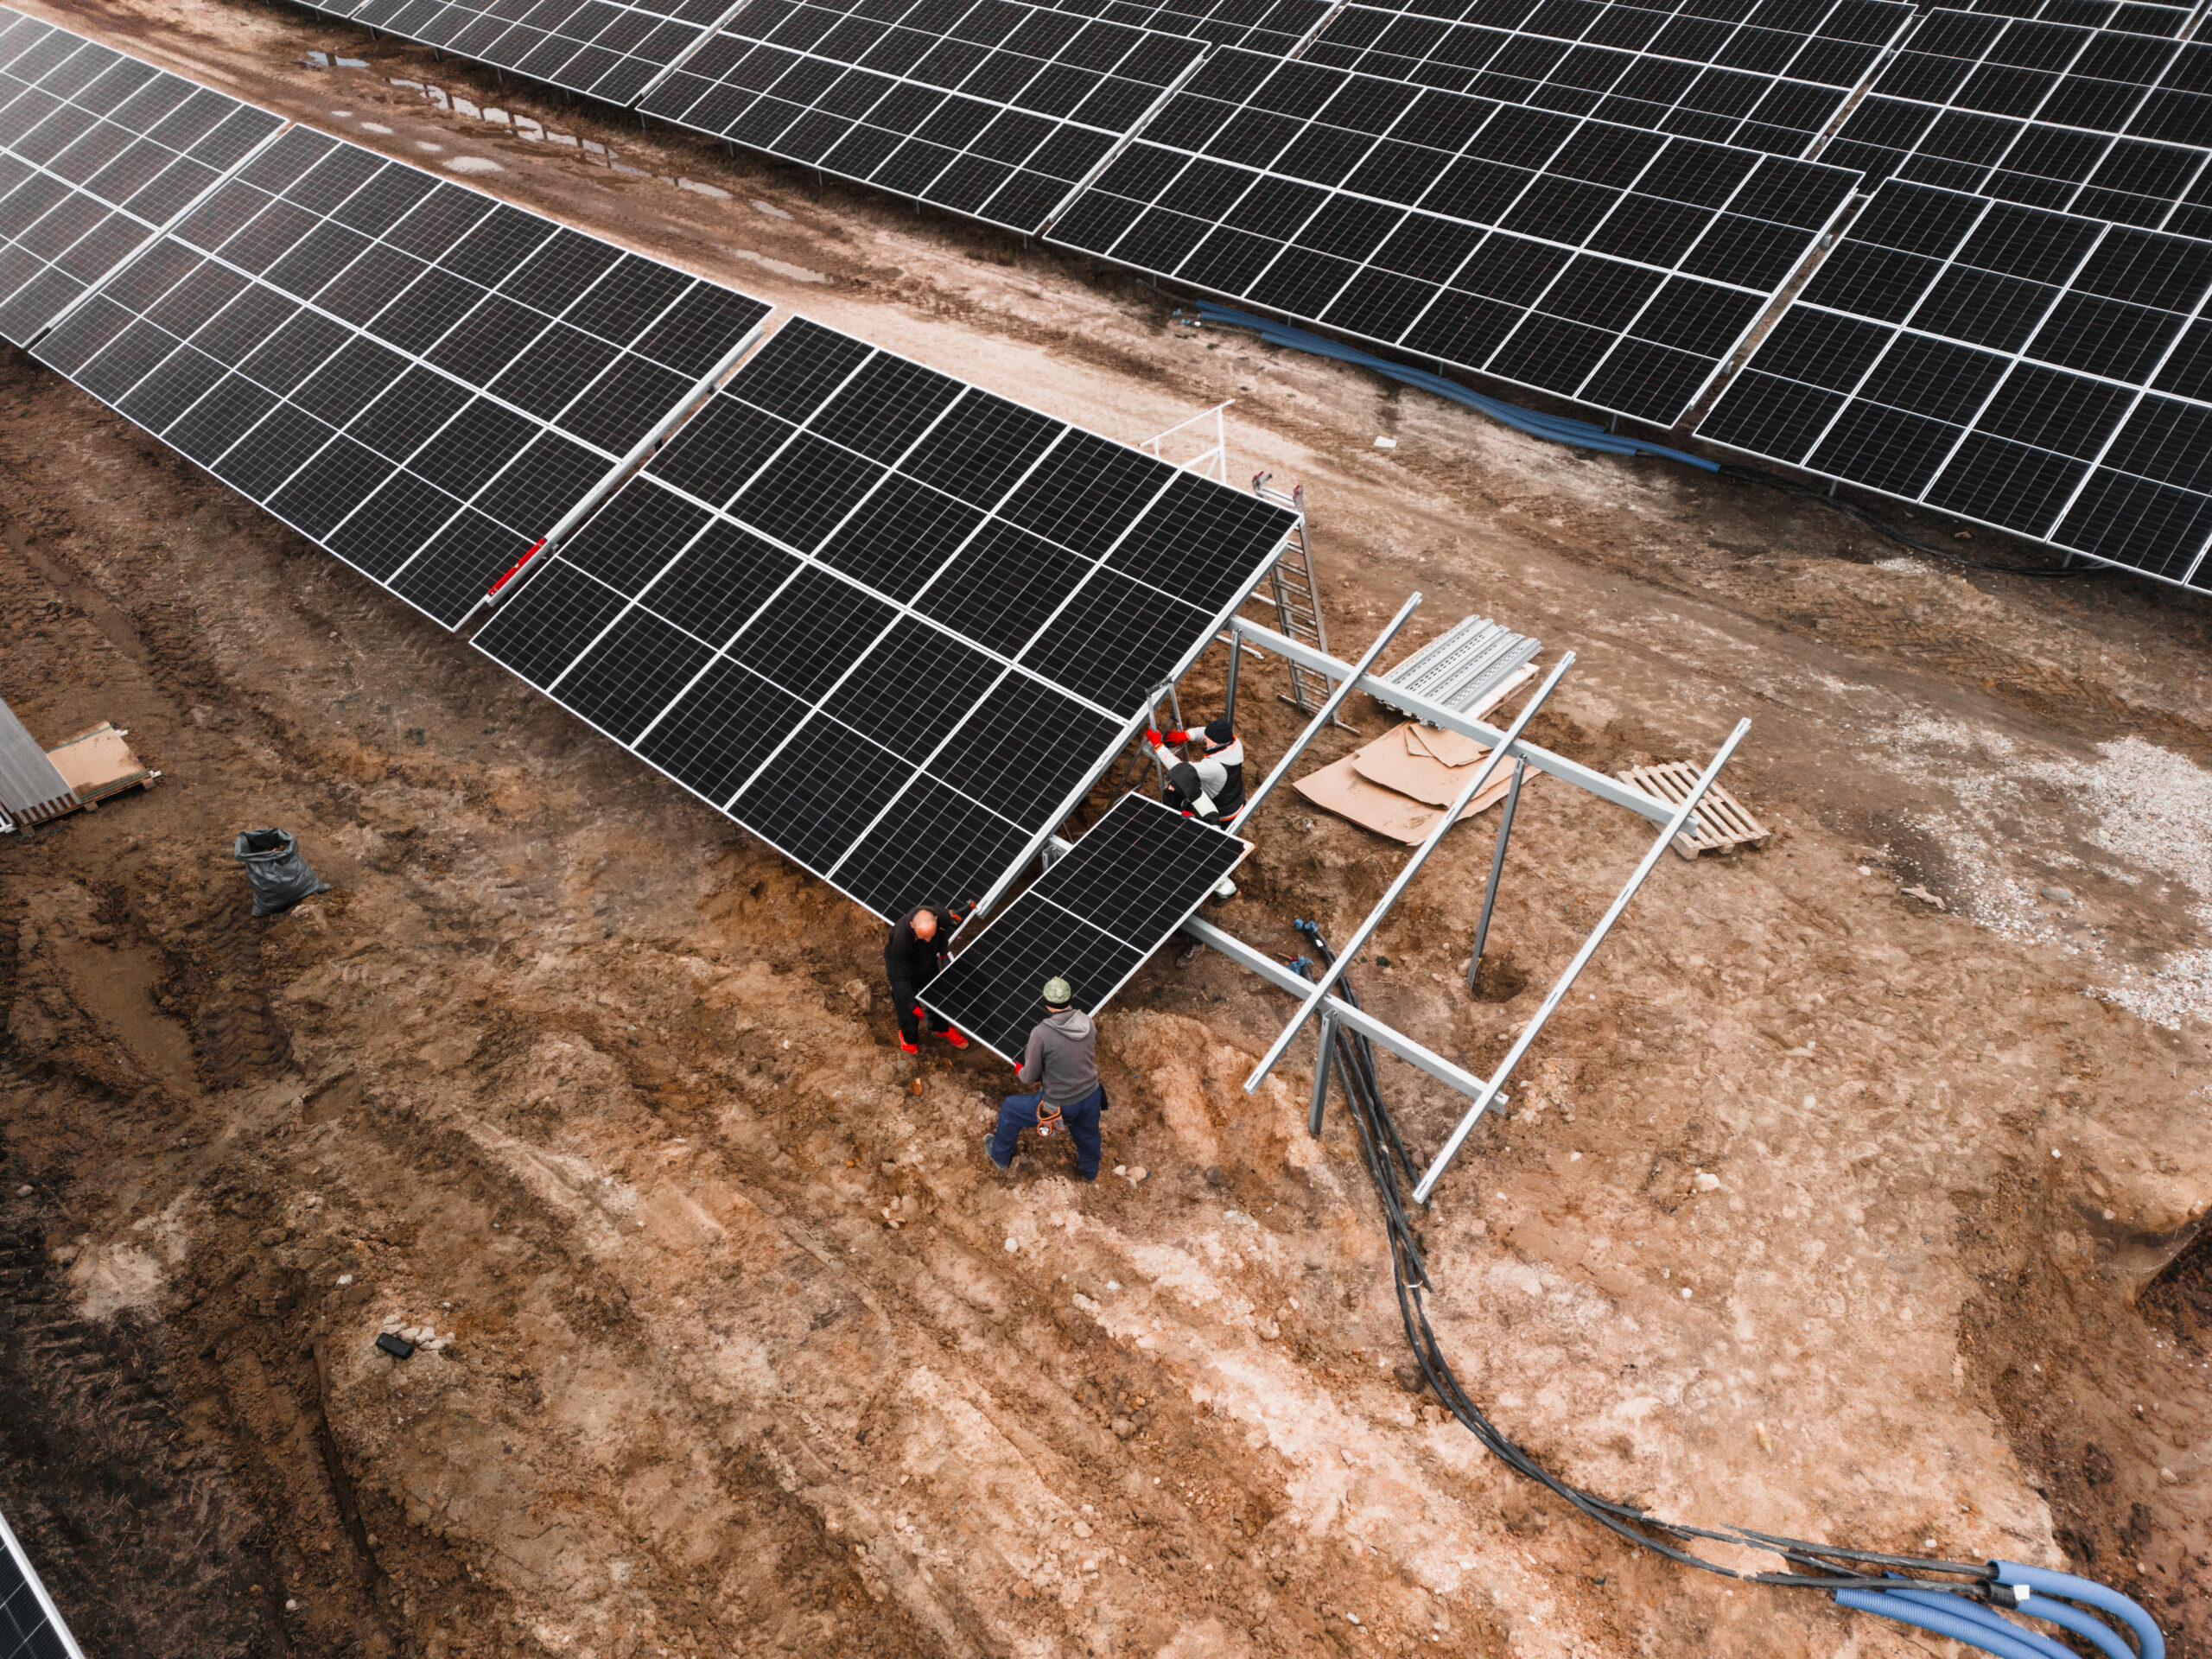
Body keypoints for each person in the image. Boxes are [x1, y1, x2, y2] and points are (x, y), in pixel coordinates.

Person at [987, 976, 1103, 1179]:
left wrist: (1021, 1070)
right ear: (1070, 998)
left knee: (1010, 1108)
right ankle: (1090, 1173)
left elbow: (1029, 1077)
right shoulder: (1087, 1022)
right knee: (1088, 1134)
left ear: (1046, 1004)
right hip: (1092, 1095)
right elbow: (1076, 1054)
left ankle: (1000, 1156)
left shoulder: (1041, 1033)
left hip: (1061, 1104)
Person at [883, 904, 969, 1054]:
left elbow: (942, 933)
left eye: (931, 935)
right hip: (903, 969)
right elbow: (899, 978)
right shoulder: (901, 939)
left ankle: (941, 1029)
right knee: (906, 1006)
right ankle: (909, 1037)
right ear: (912, 925)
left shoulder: (941, 916)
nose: (928, 940)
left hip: (927, 962)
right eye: (923, 937)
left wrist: (944, 953)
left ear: (936, 919)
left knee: (936, 995)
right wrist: (913, 1006)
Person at [1147, 719, 1245, 820]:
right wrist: (1185, 735)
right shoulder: (1234, 743)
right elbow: (1206, 733)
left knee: (1175, 790)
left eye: (1207, 738)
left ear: (1216, 742)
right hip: (1235, 798)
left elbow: (1181, 770)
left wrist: (1158, 746)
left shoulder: (1214, 767)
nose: (1204, 737)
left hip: (1222, 811)